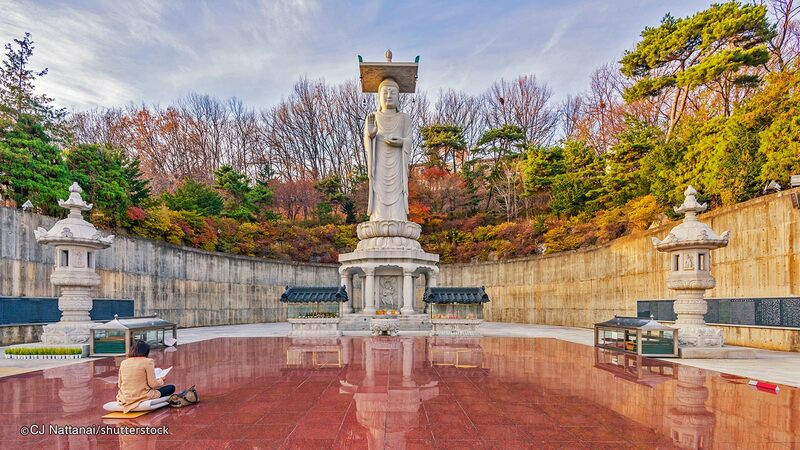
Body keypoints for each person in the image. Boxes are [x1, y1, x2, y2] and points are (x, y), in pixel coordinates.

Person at [116, 340, 175, 413]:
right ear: (146, 351)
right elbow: (153, 384)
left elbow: (119, 384)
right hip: (143, 395)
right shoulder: (148, 361)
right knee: (171, 388)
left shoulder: (124, 362)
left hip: (124, 397)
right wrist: (161, 380)